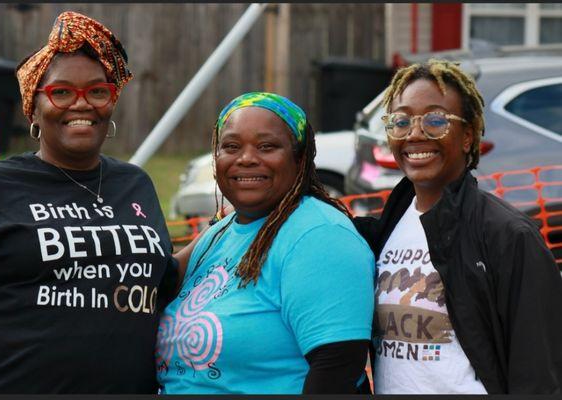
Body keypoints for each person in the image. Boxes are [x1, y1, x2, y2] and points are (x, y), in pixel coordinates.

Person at [0, 11, 179, 393]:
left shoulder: (134, 183)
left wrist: (233, 229)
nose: (82, 104)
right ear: (34, 107)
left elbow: (161, 278)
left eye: (97, 91)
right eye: (62, 92)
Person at [353, 59, 562, 394]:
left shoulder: (508, 235)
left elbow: (538, 370)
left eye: (436, 120)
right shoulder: (385, 229)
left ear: (467, 137)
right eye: (401, 121)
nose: (415, 133)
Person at [155, 92, 375, 394]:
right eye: (231, 146)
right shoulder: (221, 231)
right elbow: (154, 277)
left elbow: (337, 365)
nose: (246, 158)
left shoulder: (319, 235)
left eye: (266, 146)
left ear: (300, 158)